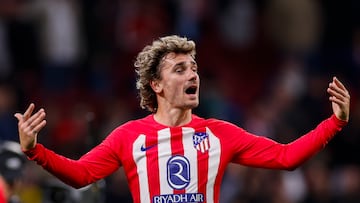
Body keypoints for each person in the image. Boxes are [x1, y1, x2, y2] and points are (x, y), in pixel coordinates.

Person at [14, 35, 350, 203]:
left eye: (194, 68)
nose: (193, 75)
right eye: (180, 69)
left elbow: (285, 157)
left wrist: (335, 122)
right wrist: (34, 152)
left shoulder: (220, 134)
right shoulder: (129, 136)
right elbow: (82, 174)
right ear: (156, 85)